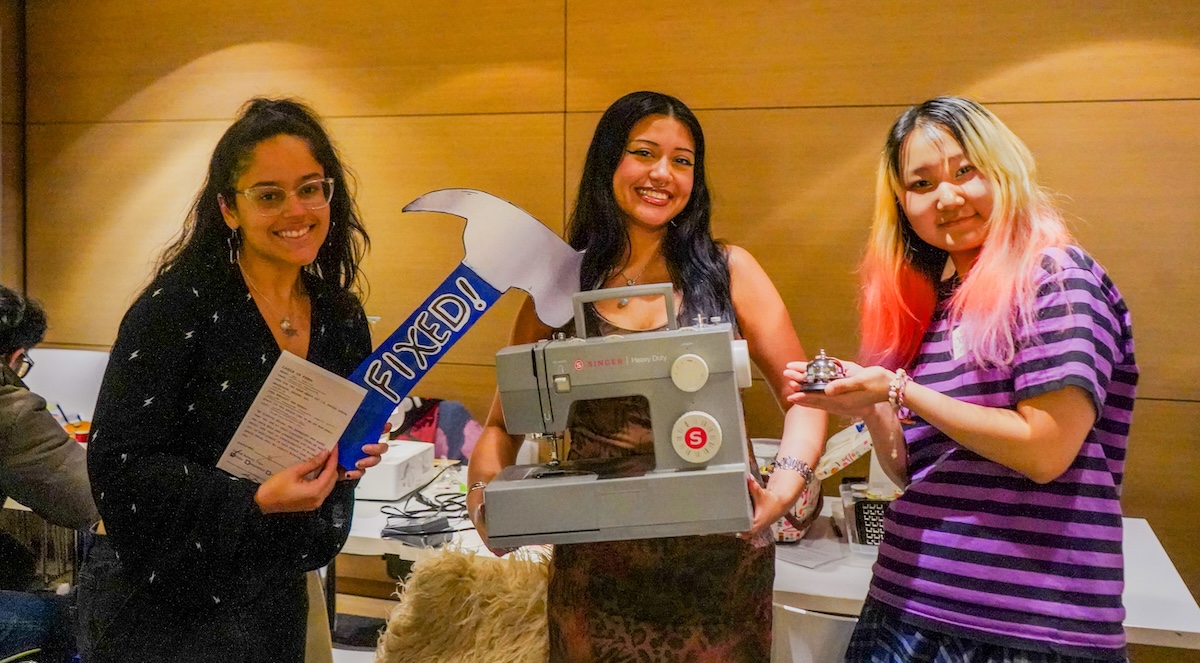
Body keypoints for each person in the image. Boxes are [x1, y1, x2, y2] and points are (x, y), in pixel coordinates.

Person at [466, 90, 828, 661]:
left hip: (718, 566)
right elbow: (501, 426)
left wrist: (785, 485)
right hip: (597, 568)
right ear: (610, 161)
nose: (664, 173)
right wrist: (483, 496)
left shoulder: (730, 271)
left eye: (683, 161)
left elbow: (805, 395)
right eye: (644, 153)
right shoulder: (559, 288)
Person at [785, 96, 1137, 662]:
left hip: (1027, 621)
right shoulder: (938, 305)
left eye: (964, 172)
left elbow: (1045, 450)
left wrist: (899, 389)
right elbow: (915, 471)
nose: (946, 198)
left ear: (1002, 169)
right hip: (906, 599)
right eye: (921, 185)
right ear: (902, 205)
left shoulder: (1056, 278)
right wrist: (871, 406)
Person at [79, 98, 388, 662]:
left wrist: (346, 458)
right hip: (159, 597)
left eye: (310, 188)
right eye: (268, 195)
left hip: (273, 590)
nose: (296, 210)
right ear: (229, 209)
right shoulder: (177, 308)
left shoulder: (341, 319)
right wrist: (252, 500)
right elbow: (120, 467)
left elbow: (321, 463)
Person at [0, 285, 99, 662]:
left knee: (13, 558)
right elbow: (88, 501)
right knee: (82, 617)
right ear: (16, 356)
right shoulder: (9, 410)